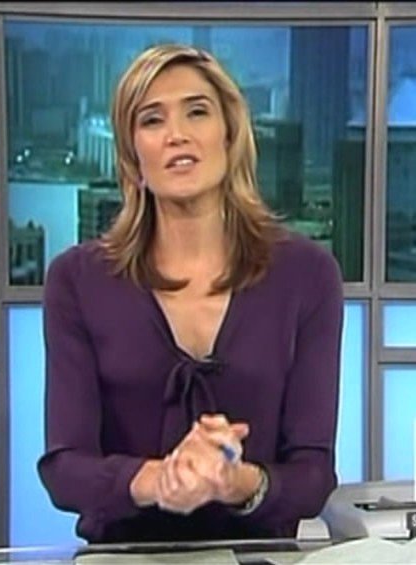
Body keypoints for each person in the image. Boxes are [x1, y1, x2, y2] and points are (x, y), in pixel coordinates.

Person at [37, 43, 344, 544]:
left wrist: (235, 482)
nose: (176, 134)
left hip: (257, 556)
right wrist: (159, 480)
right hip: (124, 557)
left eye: (197, 112)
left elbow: (313, 474)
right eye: (152, 120)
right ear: (133, 156)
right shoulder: (77, 280)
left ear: (230, 134)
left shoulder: (307, 275)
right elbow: (64, 468)